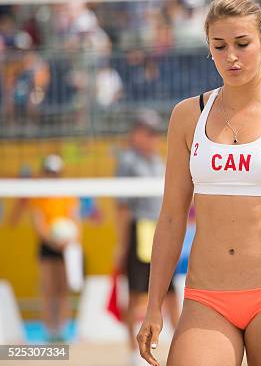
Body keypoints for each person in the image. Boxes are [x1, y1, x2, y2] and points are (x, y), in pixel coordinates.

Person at [136, 0, 261, 366]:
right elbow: (170, 218)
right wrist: (153, 306)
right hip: (206, 297)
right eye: (220, 46)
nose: (231, 56)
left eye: (242, 44)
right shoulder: (187, 115)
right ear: (209, 50)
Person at [113, 109, 180, 366]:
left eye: (155, 133)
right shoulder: (128, 161)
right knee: (135, 294)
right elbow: (122, 207)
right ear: (136, 133)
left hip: (161, 233)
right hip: (138, 231)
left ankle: (178, 344)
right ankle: (133, 351)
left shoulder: (157, 162)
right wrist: (121, 244)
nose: (153, 137)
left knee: (171, 293)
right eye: (148, 132)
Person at [29, 154, 80, 342]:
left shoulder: (67, 193)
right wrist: (53, 241)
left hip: (66, 245)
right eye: (49, 172)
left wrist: (69, 239)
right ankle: (50, 330)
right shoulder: (39, 195)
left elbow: (75, 220)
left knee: (63, 289)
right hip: (48, 246)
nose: (52, 175)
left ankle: (62, 330)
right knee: (49, 290)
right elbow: (39, 224)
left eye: (55, 172)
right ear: (44, 173)